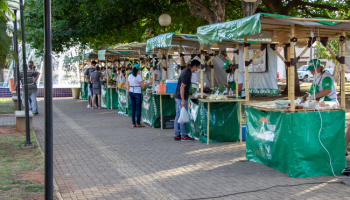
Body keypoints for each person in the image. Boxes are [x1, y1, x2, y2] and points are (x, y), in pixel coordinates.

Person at [174, 59, 201, 141]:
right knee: (182, 116)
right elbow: (182, 87)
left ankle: (177, 134)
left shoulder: (186, 71)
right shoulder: (187, 74)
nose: (198, 69)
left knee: (178, 116)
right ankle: (184, 135)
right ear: (194, 66)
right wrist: (183, 100)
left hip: (178, 96)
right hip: (181, 97)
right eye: (198, 67)